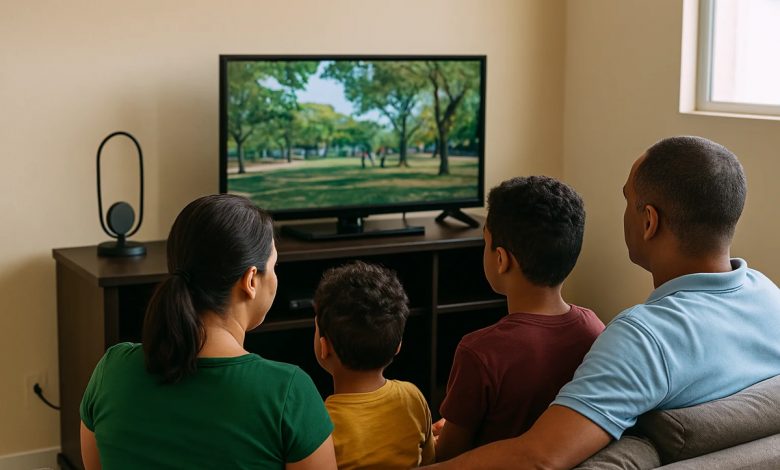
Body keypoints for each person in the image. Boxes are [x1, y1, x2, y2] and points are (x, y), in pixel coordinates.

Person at [427, 136, 780, 469]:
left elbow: (540, 458)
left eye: (627, 199)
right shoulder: (769, 296)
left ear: (649, 221)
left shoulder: (644, 337)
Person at [80, 194, 336, 469]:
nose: (275, 277)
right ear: (251, 280)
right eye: (274, 266)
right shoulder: (288, 392)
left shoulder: (111, 370)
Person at [434, 176, 605, 461]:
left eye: (485, 243)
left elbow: (448, 456)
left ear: (502, 259)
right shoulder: (594, 328)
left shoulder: (478, 352)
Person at [313, 260, 435, 469]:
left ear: (324, 347)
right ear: (398, 346)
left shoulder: (318, 424)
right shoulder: (413, 397)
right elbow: (430, 461)